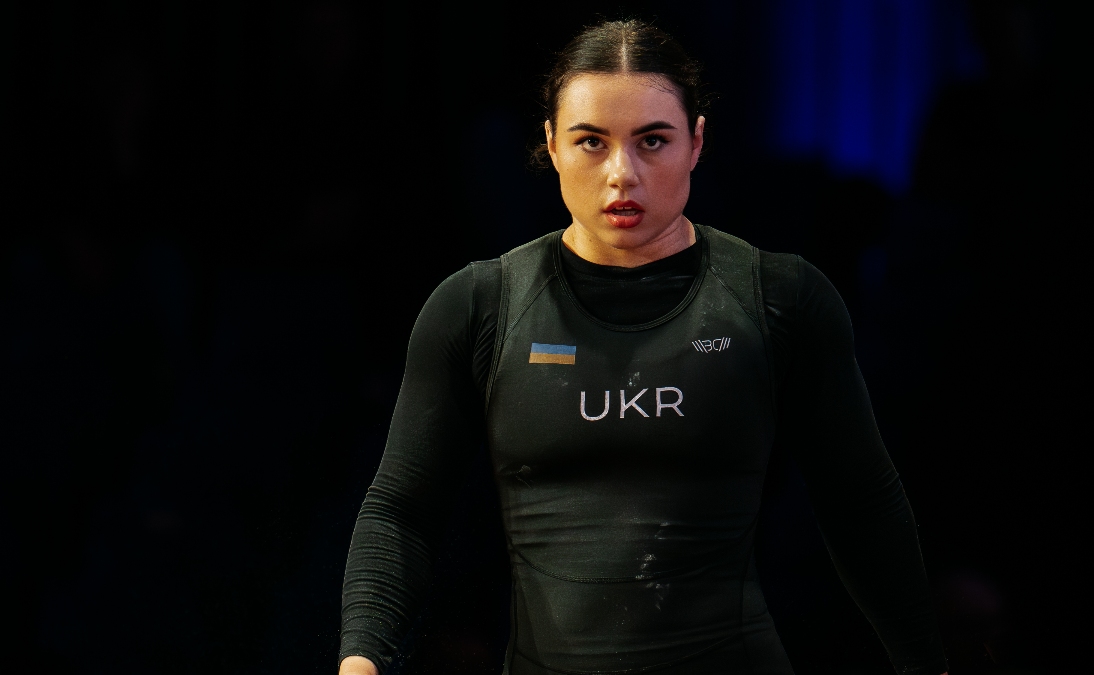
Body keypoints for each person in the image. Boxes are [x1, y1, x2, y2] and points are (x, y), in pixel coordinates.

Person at [339, 19, 948, 675]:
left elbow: (859, 499)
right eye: (591, 142)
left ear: (697, 143)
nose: (620, 173)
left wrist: (925, 662)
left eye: (652, 140)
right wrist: (361, 658)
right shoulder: (477, 305)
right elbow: (402, 510)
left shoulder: (781, 297)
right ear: (550, 144)